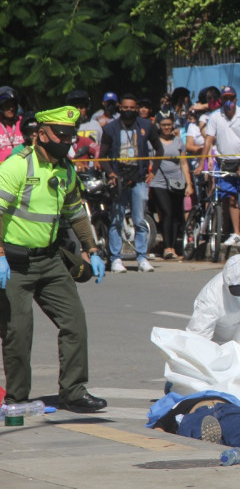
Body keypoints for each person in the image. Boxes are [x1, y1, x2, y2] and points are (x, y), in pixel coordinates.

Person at [0, 106, 107, 412]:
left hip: (50, 261)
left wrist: (93, 250)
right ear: (41, 134)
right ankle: (17, 399)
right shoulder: (17, 166)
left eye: (69, 136)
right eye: (60, 135)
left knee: (75, 322)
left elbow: (76, 212)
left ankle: (73, 391)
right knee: (17, 332)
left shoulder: (66, 170)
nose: (65, 141)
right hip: (14, 263)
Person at [99, 93, 164, 273]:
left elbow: (159, 148)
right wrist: (110, 173)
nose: (128, 111)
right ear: (120, 107)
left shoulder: (145, 125)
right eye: (125, 107)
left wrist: (153, 171)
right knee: (116, 221)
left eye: (132, 108)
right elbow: (102, 156)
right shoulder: (110, 128)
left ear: (136, 109)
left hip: (140, 180)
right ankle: (116, 259)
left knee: (140, 220)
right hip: (118, 180)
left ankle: (142, 257)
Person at [196, 86, 240, 246]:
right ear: (221, 100)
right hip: (224, 163)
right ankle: (236, 233)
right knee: (230, 198)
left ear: (236, 99)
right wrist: (201, 163)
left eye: (231, 98)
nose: (228, 101)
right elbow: (209, 139)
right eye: (225, 98)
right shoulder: (216, 116)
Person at [150, 111, 193, 260]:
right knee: (166, 211)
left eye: (169, 124)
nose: (167, 127)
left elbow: (183, 163)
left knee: (176, 215)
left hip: (177, 181)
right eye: (164, 125)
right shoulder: (154, 141)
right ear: (159, 126)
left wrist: (189, 184)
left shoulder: (178, 141)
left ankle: (173, 247)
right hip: (158, 182)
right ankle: (167, 247)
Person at [0, 86, 23, 163]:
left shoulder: (22, 122)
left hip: (21, 164)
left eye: (13, 105)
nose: (11, 109)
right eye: (7, 106)